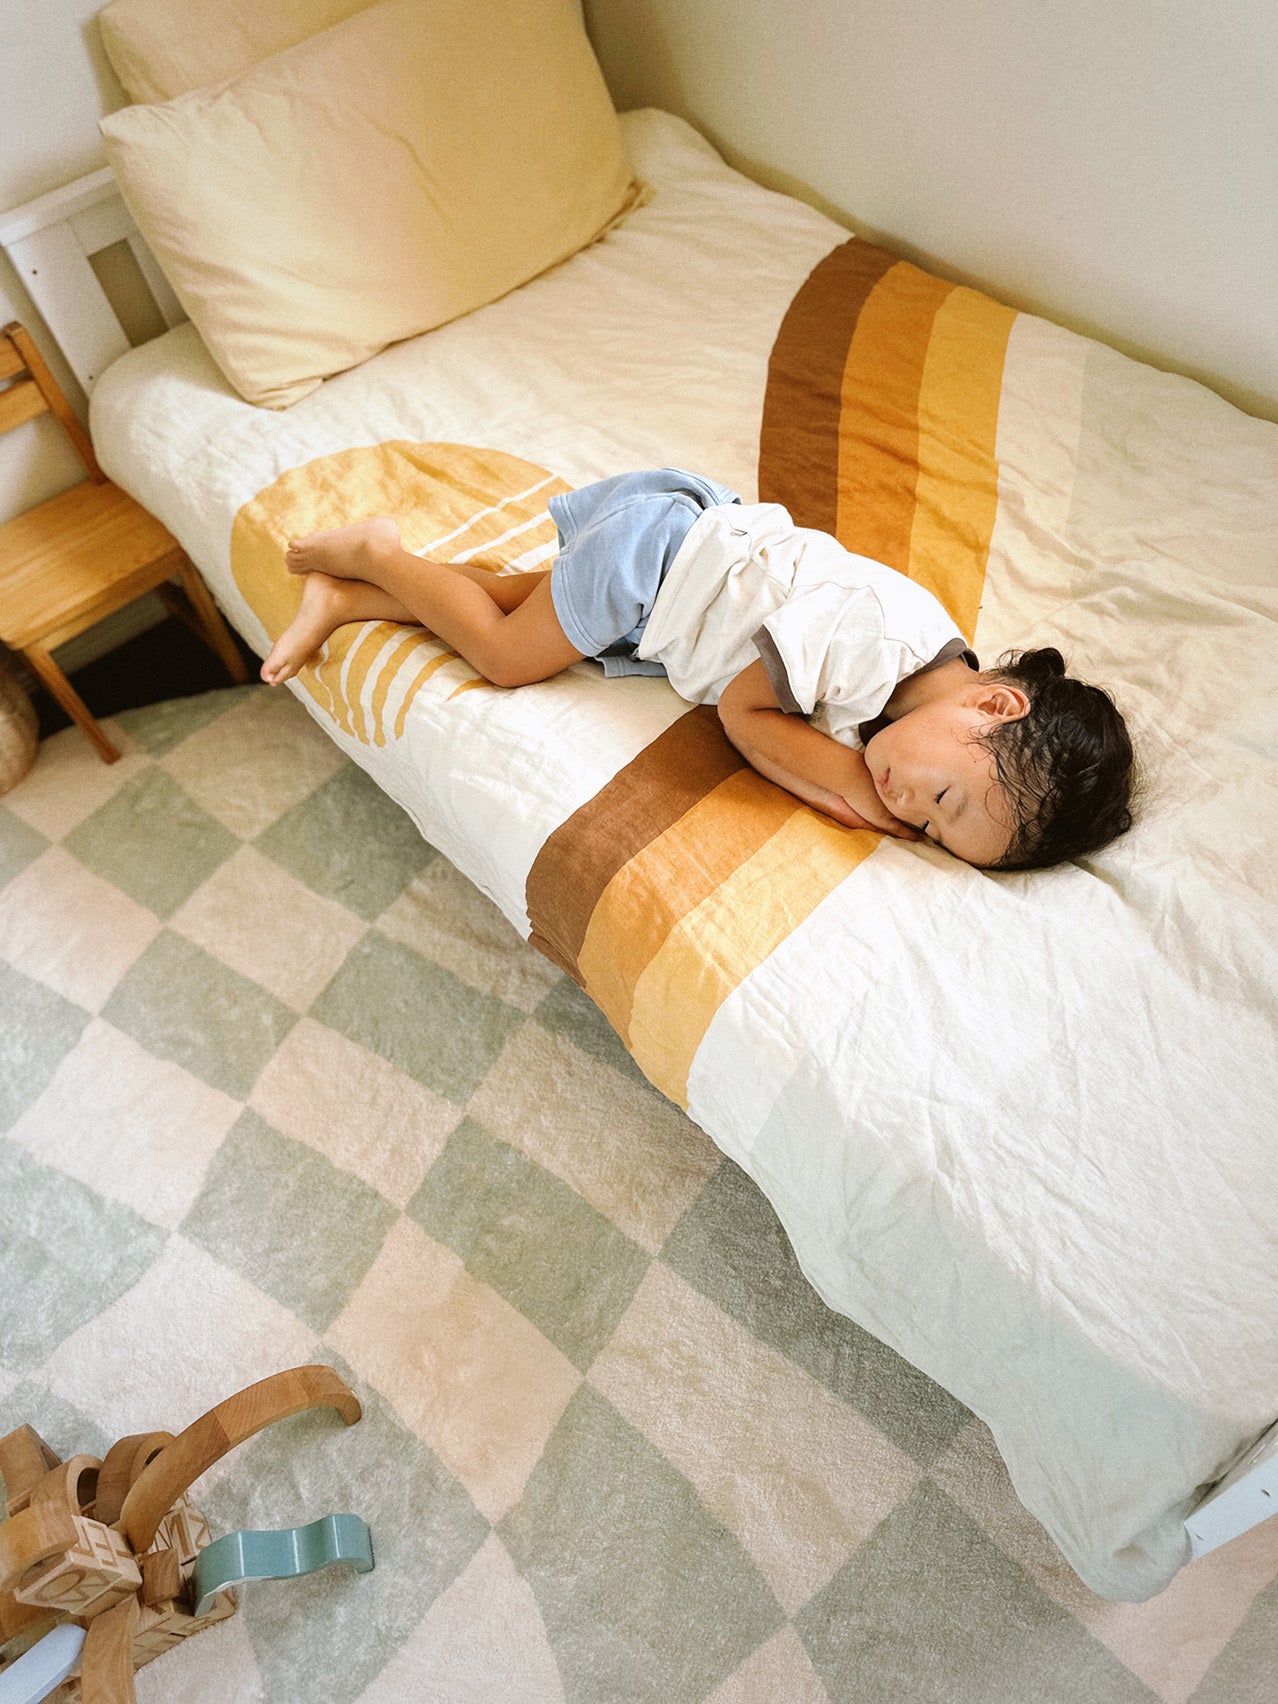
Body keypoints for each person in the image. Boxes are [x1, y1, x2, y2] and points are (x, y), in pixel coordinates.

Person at [260, 468, 1136, 870]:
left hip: (676, 582)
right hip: (655, 563)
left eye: (937, 834)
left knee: (492, 601)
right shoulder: (875, 641)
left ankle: (346, 601)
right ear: (993, 701)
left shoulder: (919, 695)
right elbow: (746, 715)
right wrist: (849, 788)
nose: (910, 811)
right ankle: (378, 553)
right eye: (943, 802)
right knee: (501, 655)